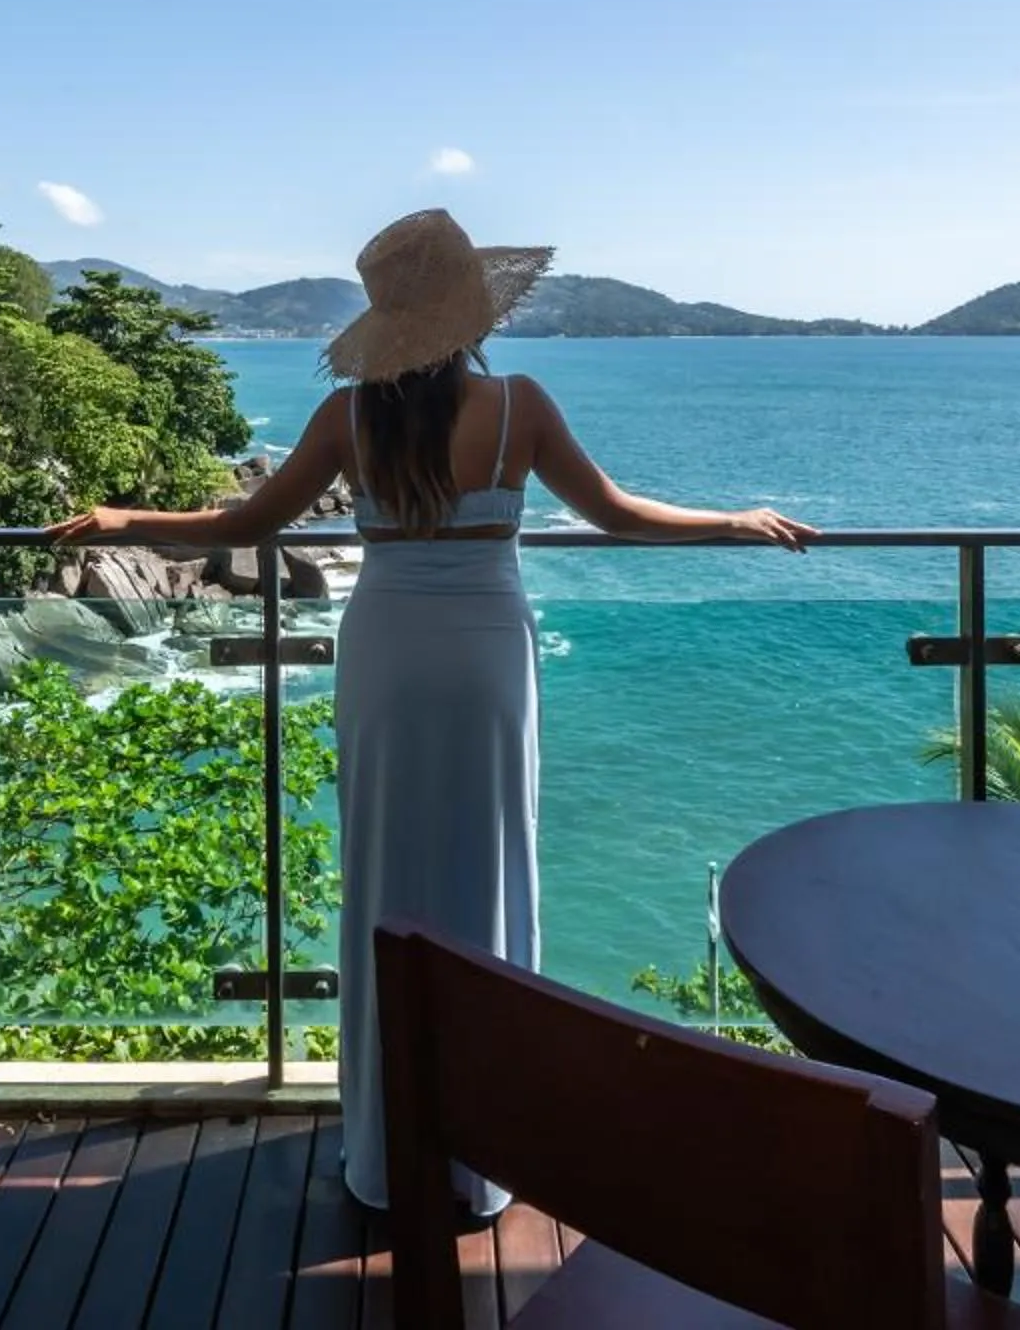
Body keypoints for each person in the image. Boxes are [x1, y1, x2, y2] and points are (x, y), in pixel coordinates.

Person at [51, 208, 816, 1217]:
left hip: (385, 656)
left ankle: (385, 1140)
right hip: (487, 656)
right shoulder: (518, 406)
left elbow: (242, 523)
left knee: (387, 867)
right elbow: (620, 514)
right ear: (468, 313)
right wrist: (735, 518)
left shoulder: (346, 419)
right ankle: (485, 1150)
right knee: (487, 864)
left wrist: (123, 518)